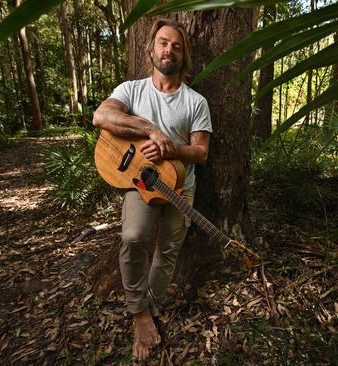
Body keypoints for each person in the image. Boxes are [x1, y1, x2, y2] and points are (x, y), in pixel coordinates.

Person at [92, 19, 212, 360]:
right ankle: (138, 312)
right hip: (140, 183)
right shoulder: (131, 90)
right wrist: (149, 130)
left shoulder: (196, 102)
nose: (168, 50)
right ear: (151, 49)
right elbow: (102, 117)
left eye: (176, 45)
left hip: (180, 187)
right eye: (162, 43)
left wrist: (170, 149)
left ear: (184, 54)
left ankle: (152, 308)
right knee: (133, 237)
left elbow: (201, 153)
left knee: (168, 251)